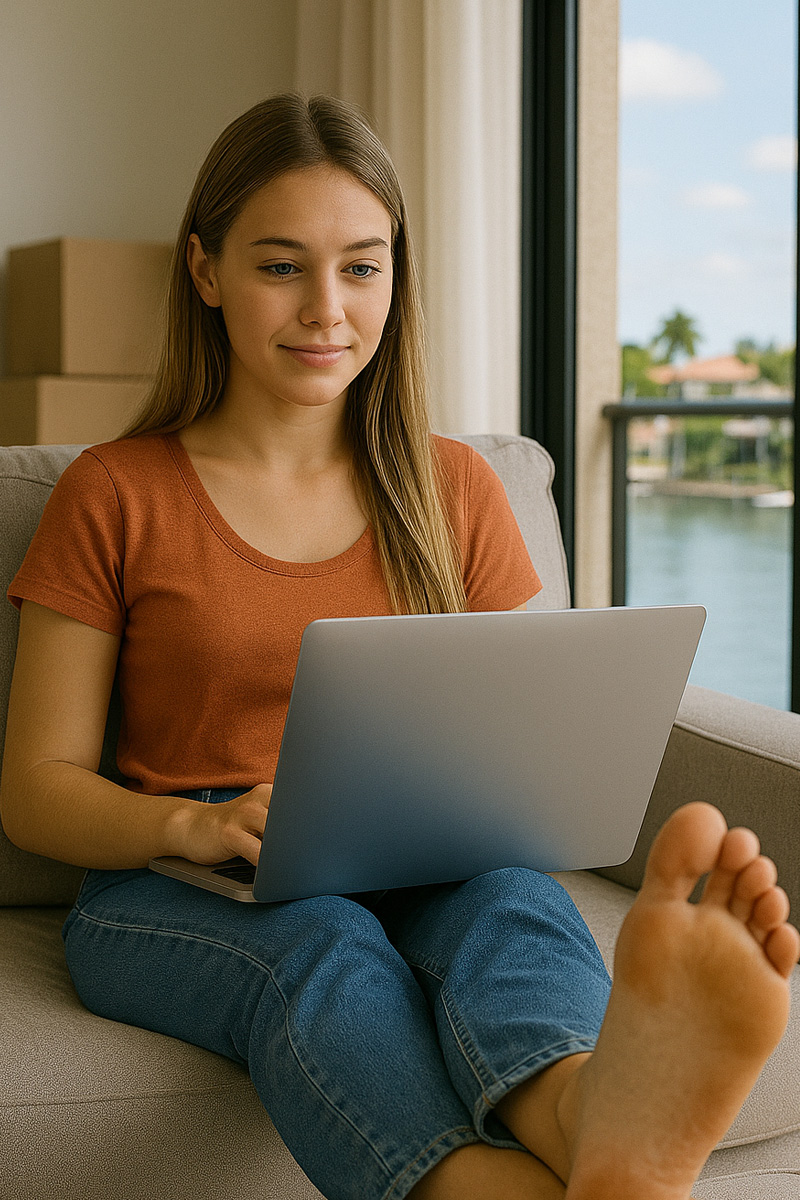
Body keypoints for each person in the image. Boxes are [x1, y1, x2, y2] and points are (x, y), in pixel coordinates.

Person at [0, 93, 797, 1200]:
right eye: (282, 267)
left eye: (361, 268)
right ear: (205, 269)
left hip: (416, 860)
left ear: (396, 276)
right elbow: (35, 791)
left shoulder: (454, 488)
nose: (326, 308)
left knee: (512, 899)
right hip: (170, 882)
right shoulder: (114, 493)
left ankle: (588, 1114)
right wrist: (196, 819)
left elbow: (528, 734)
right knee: (321, 941)